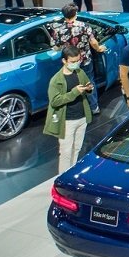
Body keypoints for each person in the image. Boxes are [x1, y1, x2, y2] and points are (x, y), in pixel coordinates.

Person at [45, 44, 95, 173]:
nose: (76, 64)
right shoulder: (56, 80)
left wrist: (89, 88)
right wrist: (74, 92)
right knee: (66, 152)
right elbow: (55, 101)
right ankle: (63, 177)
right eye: (73, 62)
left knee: (77, 148)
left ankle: (71, 173)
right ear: (64, 61)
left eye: (78, 60)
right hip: (67, 121)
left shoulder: (80, 72)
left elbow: (87, 85)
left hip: (82, 118)